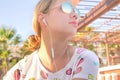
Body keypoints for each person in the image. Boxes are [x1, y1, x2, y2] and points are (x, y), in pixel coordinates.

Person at [3, 0, 99, 80]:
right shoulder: (20, 71)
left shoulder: (84, 59)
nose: (75, 15)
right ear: (42, 18)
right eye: (66, 7)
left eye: (76, 11)